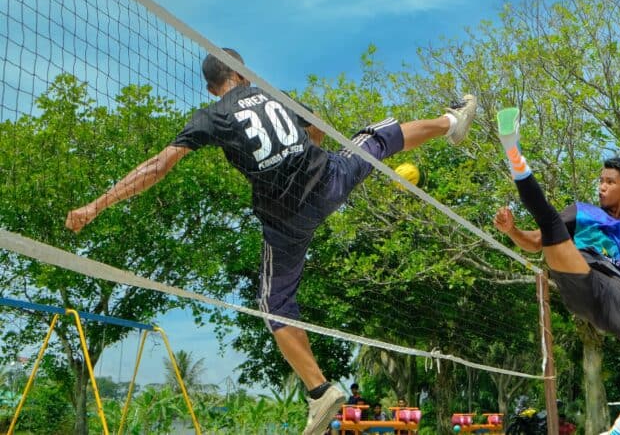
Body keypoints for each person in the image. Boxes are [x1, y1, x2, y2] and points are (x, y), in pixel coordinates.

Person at [65, 48, 477, 435]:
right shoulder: (274, 95)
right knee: (376, 139)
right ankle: (450, 121)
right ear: (243, 73)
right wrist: (309, 166)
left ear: (211, 87)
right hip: (328, 181)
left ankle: (319, 390)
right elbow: (316, 129)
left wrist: (95, 206)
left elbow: (158, 167)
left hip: (286, 218)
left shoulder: (212, 116)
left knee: (276, 305)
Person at [492, 108, 620, 435]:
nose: (602, 186)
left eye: (609, 182)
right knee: (550, 219)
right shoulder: (581, 212)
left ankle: (617, 432)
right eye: (600, 180)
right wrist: (513, 231)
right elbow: (537, 242)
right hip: (582, 274)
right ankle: (512, 149)